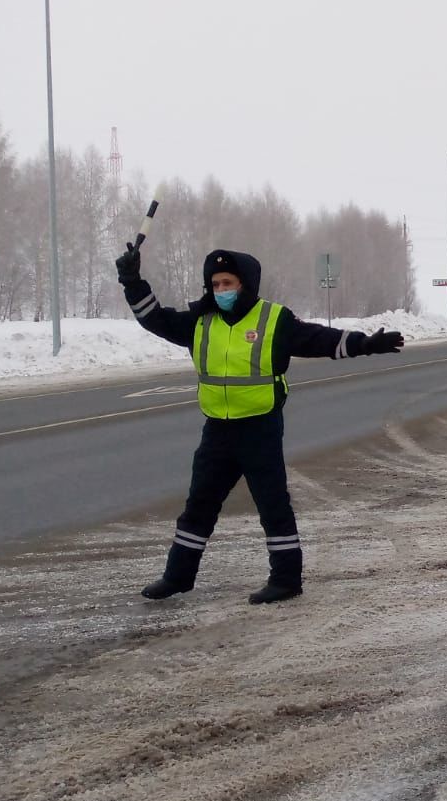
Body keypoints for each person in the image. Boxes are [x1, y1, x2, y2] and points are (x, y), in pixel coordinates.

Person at [116, 242, 405, 602]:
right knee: (198, 506)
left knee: (272, 504)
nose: (221, 290)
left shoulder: (272, 319)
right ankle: (177, 576)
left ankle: (285, 580)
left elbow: (318, 339)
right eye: (216, 284)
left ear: (246, 285)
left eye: (228, 283)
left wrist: (365, 344)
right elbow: (155, 319)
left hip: (260, 428)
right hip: (217, 430)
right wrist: (132, 281)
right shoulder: (200, 321)